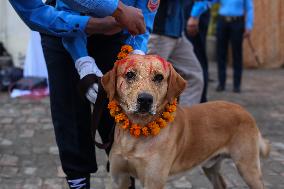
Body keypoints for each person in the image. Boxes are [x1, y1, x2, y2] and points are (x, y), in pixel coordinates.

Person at [9, 0, 158, 188]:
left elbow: (144, 18)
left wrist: (134, 55)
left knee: (117, 117)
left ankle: (126, 178)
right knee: (70, 115)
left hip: (115, 33)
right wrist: (83, 63)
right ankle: (78, 181)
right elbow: (61, 9)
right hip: (62, 24)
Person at [189, 0, 254, 93]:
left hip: (237, 22)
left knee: (237, 54)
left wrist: (249, 26)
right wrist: (195, 14)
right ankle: (221, 83)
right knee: (220, 53)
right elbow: (209, 2)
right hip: (222, 22)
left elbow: (249, 8)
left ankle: (237, 84)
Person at [148, 0, 204, 106]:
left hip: (177, 33)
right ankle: (144, 121)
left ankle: (186, 119)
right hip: (159, 33)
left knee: (194, 76)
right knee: (150, 81)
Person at [185, 0, 211, 103]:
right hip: (190, 11)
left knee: (197, 58)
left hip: (195, 13)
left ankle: (201, 100)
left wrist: (195, 15)